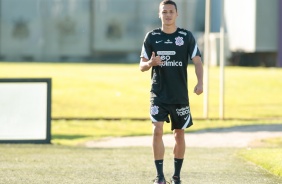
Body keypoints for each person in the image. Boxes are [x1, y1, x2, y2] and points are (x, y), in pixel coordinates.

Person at [139, 0, 203, 183]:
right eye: (164, 11)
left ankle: (176, 176)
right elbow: (141, 66)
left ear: (176, 14)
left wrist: (200, 83)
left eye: (171, 11)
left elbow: (197, 61)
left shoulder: (186, 36)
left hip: (179, 95)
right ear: (159, 14)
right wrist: (150, 63)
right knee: (157, 130)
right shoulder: (151, 37)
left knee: (179, 134)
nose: (167, 15)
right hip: (158, 94)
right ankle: (159, 176)